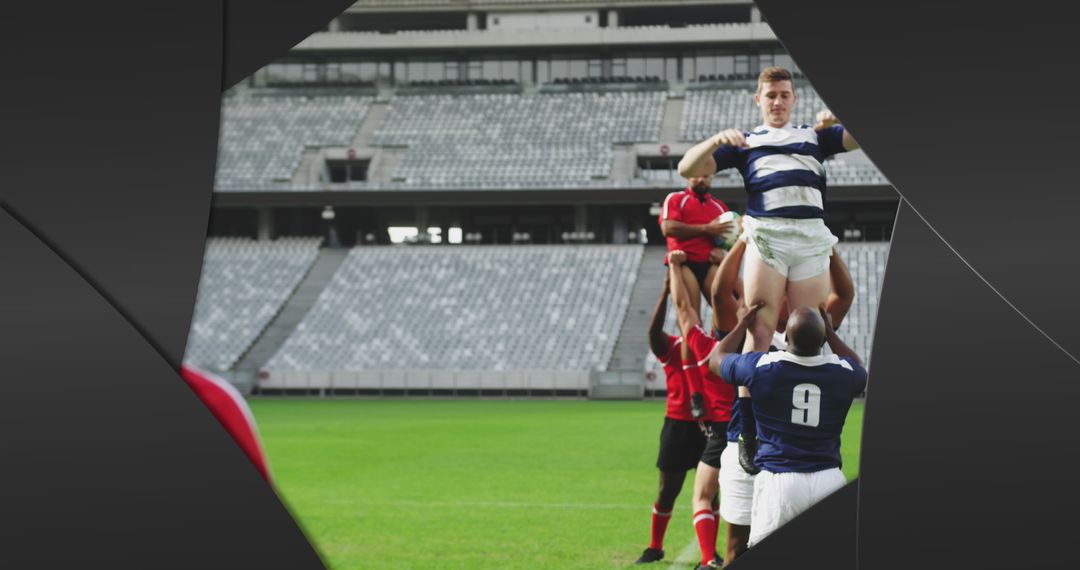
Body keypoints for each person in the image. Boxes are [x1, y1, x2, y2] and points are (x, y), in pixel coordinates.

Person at [676, 66, 859, 357]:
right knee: (759, 330)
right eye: (771, 95)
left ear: (794, 100)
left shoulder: (815, 136)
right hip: (767, 238)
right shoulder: (744, 143)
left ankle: (795, 402)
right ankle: (748, 405)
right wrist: (715, 140)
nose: (778, 102)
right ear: (758, 99)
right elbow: (686, 168)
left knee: (807, 337)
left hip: (810, 239)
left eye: (784, 95)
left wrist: (838, 118)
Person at [707, 304, 867, 548]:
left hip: (780, 481)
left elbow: (716, 360)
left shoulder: (763, 367)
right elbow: (858, 367)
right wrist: (831, 333)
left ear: (787, 338)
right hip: (828, 479)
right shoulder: (841, 372)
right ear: (823, 337)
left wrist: (742, 323)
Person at [668, 250, 738, 570]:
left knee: (702, 497)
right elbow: (736, 299)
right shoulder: (745, 345)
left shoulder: (702, 348)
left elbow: (684, 308)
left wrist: (675, 266)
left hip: (719, 432)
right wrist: (722, 262)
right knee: (740, 498)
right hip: (748, 430)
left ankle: (709, 559)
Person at [635, 275, 708, 564]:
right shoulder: (673, 346)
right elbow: (653, 335)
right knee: (668, 490)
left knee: (709, 493)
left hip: (708, 426)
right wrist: (665, 293)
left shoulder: (709, 345)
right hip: (677, 426)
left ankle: (707, 552)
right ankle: (655, 546)